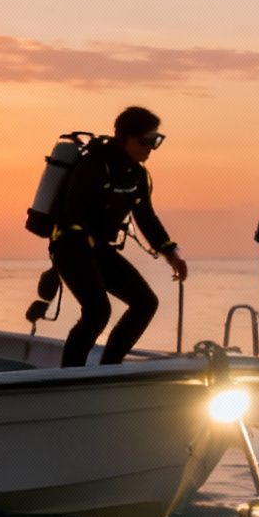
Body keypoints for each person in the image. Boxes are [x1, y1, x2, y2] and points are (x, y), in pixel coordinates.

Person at [48, 106, 189, 368]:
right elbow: (72, 211)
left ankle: (109, 368)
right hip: (70, 247)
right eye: (147, 141)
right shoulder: (94, 164)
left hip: (99, 249)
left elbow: (146, 217)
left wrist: (171, 253)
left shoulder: (137, 174)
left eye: (156, 141)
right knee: (98, 312)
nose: (151, 148)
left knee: (145, 303)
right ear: (126, 138)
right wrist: (86, 247)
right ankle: (69, 376)